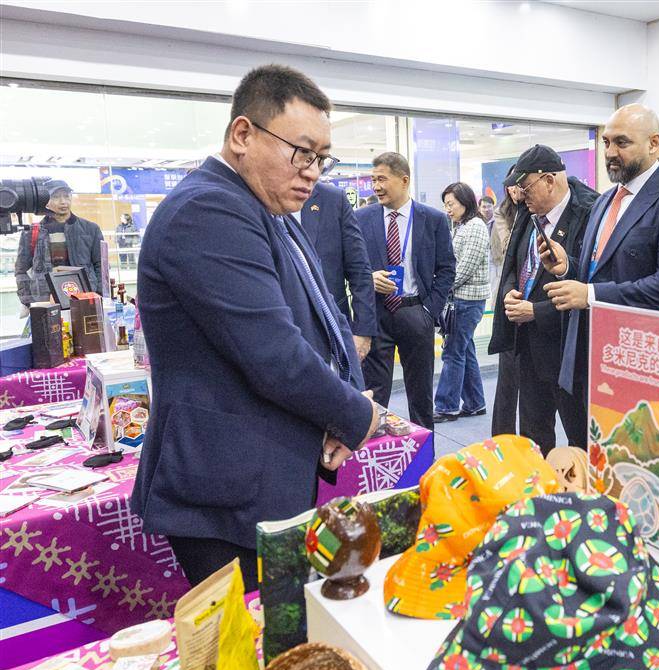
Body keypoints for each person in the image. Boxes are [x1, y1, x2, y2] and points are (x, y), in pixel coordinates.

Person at [131, 64, 380, 590]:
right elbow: (275, 353)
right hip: (223, 490)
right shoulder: (208, 210)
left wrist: (341, 408)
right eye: (302, 152)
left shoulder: (269, 210)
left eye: (322, 158)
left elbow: (325, 316)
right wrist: (356, 415)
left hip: (261, 472)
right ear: (243, 134)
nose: (313, 172)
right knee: (248, 636)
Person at [547, 103, 659, 446]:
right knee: (585, 456)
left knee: (627, 462)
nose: (610, 152)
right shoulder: (604, 201)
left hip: (638, 366)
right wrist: (568, 266)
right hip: (586, 359)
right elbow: (600, 268)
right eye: (606, 142)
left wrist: (591, 295)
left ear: (653, 143)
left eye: (622, 142)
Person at [488, 145, 599, 454]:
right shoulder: (529, 214)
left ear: (549, 180)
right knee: (534, 436)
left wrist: (536, 311)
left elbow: (589, 286)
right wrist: (510, 291)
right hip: (528, 346)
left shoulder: (589, 215)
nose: (520, 196)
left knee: (580, 438)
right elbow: (514, 264)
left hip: (568, 350)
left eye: (526, 187)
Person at [356, 152, 455, 429]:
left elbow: (447, 269)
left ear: (404, 180)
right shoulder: (361, 218)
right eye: (373, 180)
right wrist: (368, 278)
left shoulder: (432, 219)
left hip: (415, 312)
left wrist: (429, 310)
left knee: (421, 395)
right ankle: (375, 448)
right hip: (376, 315)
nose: (376, 187)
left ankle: (425, 453)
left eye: (382, 179)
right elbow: (349, 266)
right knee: (375, 395)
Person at [300, 180, 377, 361]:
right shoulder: (251, 195)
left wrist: (362, 332)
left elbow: (359, 268)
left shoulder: (332, 199)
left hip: (328, 330)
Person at [433, 182, 490, 422]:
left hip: (468, 300)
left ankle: (447, 406)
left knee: (453, 353)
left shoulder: (475, 226)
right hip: (461, 300)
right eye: (446, 204)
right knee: (465, 350)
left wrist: (441, 287)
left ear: (465, 202)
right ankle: (475, 403)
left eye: (451, 204)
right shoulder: (462, 226)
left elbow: (464, 268)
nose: (448, 209)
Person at [14, 179, 104, 307]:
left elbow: (101, 265)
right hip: (46, 299)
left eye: (66, 196)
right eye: (56, 197)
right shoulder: (31, 232)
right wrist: (28, 299)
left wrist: (99, 293)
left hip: (83, 296)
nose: (63, 201)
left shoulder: (91, 229)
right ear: (46, 200)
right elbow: (21, 269)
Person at [490, 176, 523, 438]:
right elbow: (504, 250)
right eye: (510, 185)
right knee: (507, 378)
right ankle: (502, 437)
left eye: (519, 184)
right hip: (509, 299)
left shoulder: (541, 213)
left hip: (536, 302)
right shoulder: (502, 214)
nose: (514, 189)